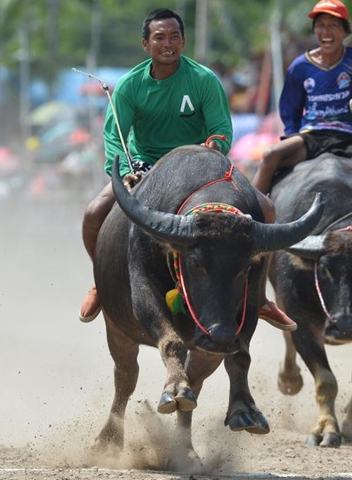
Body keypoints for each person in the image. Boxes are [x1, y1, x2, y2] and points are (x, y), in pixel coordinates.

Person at [78, 8, 295, 331]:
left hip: (198, 165)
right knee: (95, 212)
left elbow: (221, 128)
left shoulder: (204, 79)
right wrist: (122, 172)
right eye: (159, 38)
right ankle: (101, 281)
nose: (168, 44)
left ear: (184, 41)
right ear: (145, 44)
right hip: (146, 165)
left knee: (266, 209)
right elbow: (114, 136)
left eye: (174, 36)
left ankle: (259, 297)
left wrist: (215, 146)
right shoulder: (129, 86)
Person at [251, 0, 352, 220]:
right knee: (270, 156)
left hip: (351, 138)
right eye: (321, 25)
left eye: (333, 25)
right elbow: (289, 110)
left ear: (345, 31)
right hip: (311, 137)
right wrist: (293, 136)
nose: (326, 32)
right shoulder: (300, 66)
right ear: (314, 30)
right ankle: (251, 223)